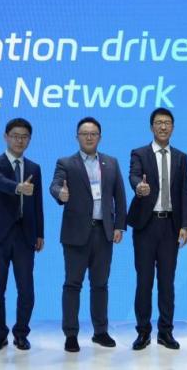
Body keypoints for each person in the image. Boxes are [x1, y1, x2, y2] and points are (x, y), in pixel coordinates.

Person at [50, 117, 127, 353]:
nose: (89, 137)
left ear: (100, 137)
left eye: (93, 133)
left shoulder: (111, 162)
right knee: (73, 285)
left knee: (100, 285)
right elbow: (55, 185)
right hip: (75, 234)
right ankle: (71, 334)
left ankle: (100, 332)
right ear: (77, 137)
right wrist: (60, 194)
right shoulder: (66, 163)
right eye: (85, 133)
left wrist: (119, 226)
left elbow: (120, 196)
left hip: (103, 232)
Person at [126, 108, 187, 350]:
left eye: (167, 123)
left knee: (167, 282)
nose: (163, 127)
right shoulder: (139, 153)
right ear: (151, 127)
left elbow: (185, 192)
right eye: (158, 122)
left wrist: (185, 225)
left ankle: (166, 332)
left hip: (170, 226)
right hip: (146, 225)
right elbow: (134, 176)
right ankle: (143, 332)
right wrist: (138, 187)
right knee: (144, 281)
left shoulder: (181, 157)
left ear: (172, 127)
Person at [0, 118, 44, 352]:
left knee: (26, 289)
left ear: (29, 139)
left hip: (25, 235)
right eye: (15, 136)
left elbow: (37, 203)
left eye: (24, 136)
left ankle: (21, 333)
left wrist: (40, 233)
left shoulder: (34, 168)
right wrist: (18, 187)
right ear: (6, 137)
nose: (19, 140)